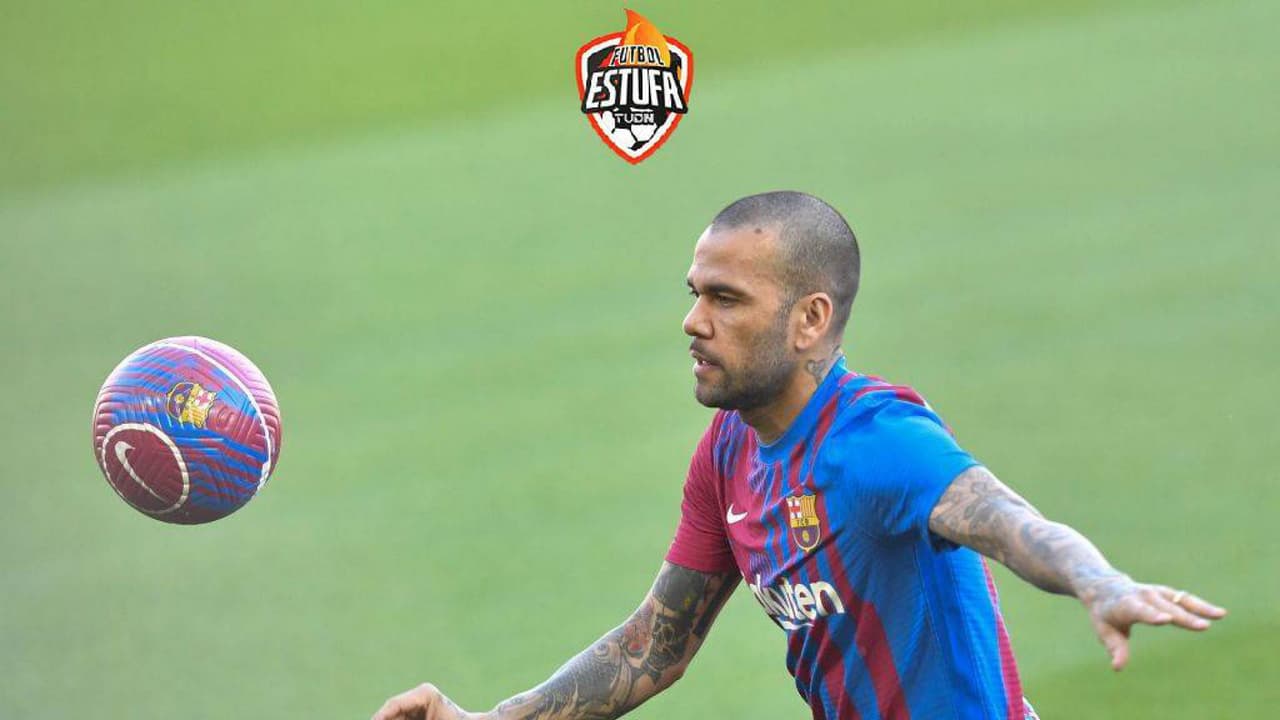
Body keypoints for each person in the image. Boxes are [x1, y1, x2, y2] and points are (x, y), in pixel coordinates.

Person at [373, 191, 1225, 720]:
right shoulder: (729, 450)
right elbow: (654, 645)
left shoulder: (875, 440)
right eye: (695, 294)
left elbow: (1002, 517)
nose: (692, 321)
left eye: (726, 299)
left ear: (810, 319)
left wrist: (1098, 581)